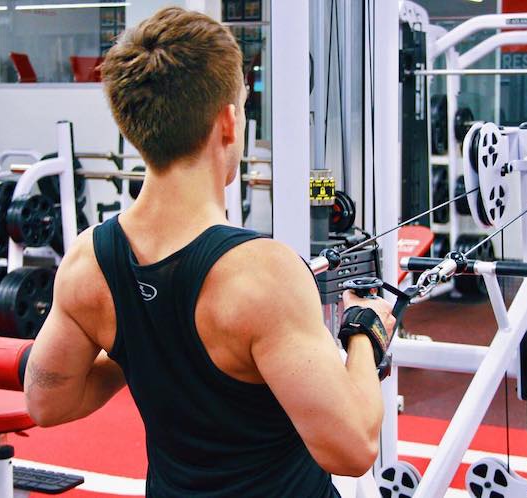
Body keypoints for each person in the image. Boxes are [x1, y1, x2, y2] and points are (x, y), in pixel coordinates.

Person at [24, 7, 396, 497]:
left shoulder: (87, 261)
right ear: (227, 122)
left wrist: (143, 342)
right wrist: (364, 331)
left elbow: (47, 402)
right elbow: (353, 449)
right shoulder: (263, 274)